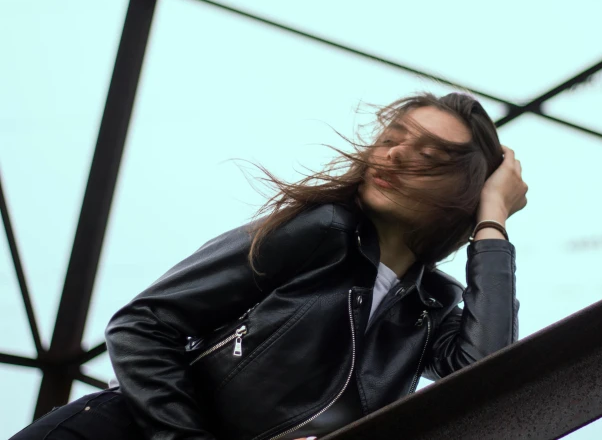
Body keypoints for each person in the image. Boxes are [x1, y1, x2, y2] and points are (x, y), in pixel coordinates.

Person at [11, 91, 528, 440]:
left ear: (464, 191)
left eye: (428, 156)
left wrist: (493, 218)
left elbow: (485, 381)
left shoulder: (432, 305)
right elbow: (143, 326)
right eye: (391, 140)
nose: (391, 157)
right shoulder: (322, 230)